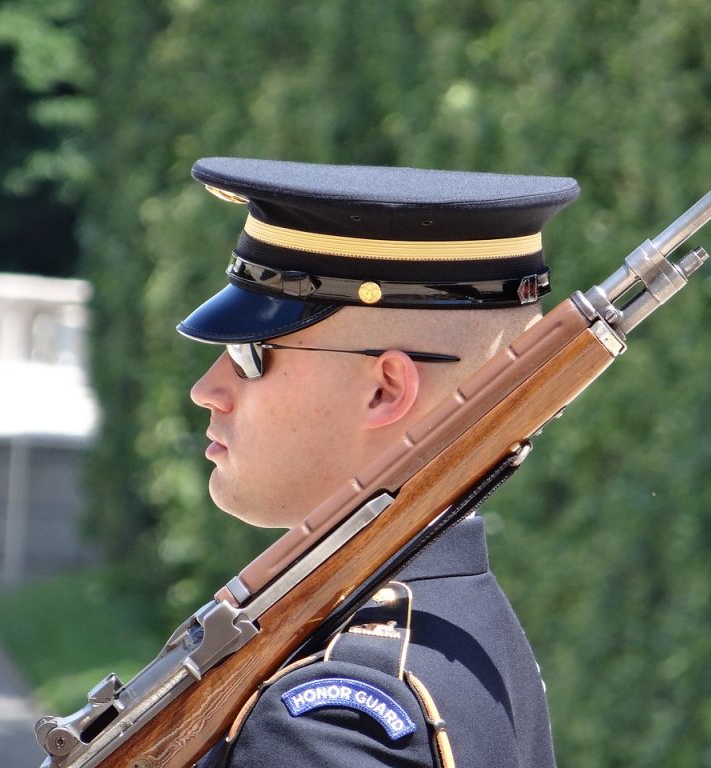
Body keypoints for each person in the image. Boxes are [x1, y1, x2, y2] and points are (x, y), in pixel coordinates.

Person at [179, 157, 579, 768]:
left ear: (385, 390)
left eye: (249, 353)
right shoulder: (463, 622)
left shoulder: (333, 724)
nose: (206, 389)